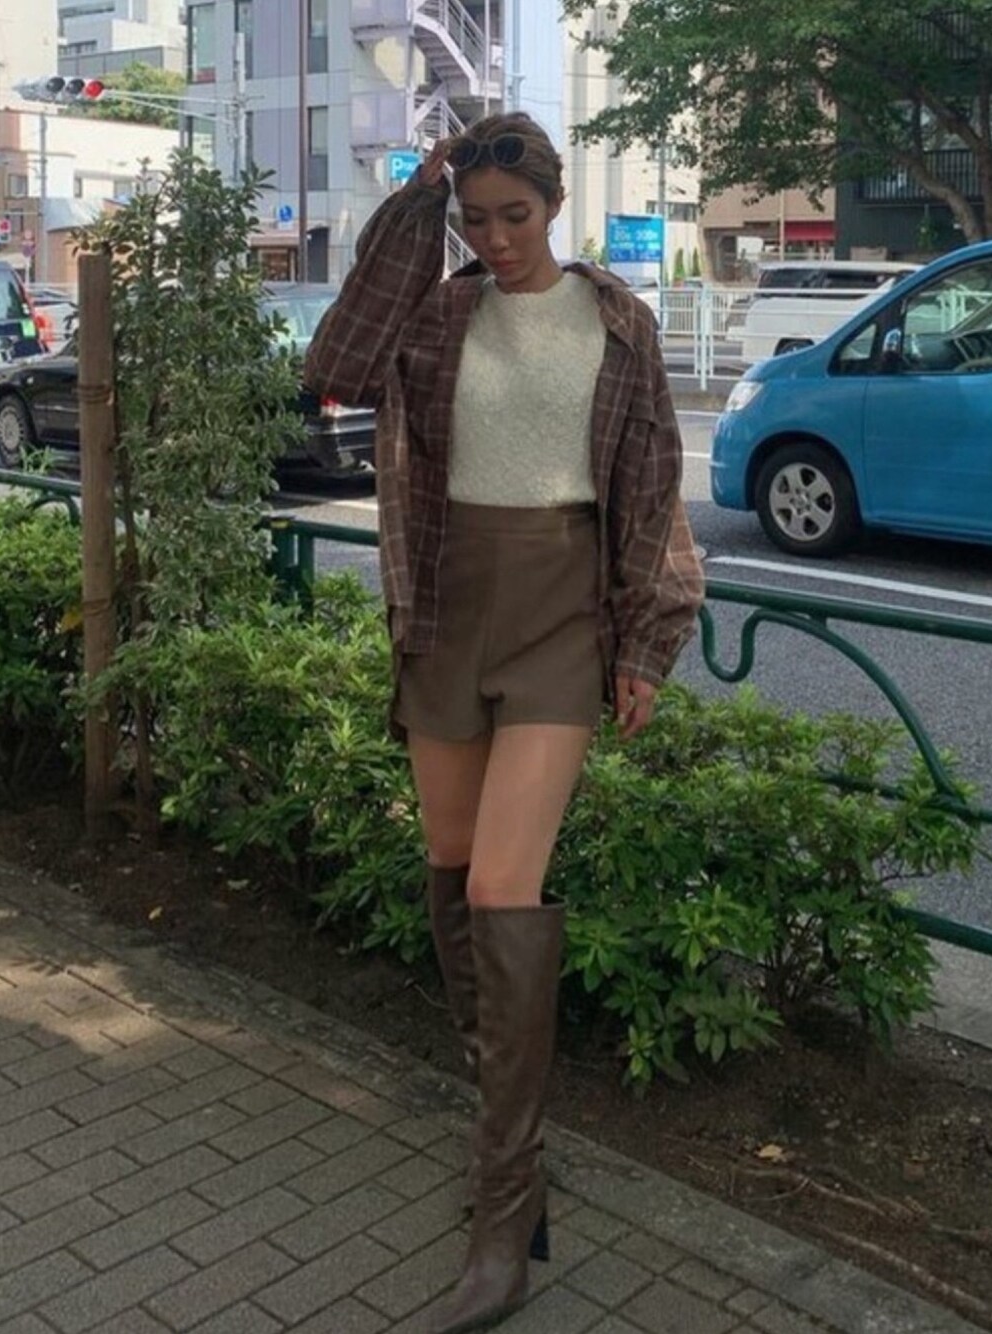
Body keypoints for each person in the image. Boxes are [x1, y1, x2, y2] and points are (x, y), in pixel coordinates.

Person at [304, 111, 704, 1334]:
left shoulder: (617, 322)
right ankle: (511, 1159)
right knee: (450, 870)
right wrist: (412, 210)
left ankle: (501, 1204)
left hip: (556, 616)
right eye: (475, 219)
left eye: (514, 216)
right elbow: (336, 361)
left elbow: (650, 488)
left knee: (500, 888)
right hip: (443, 607)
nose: (497, 239)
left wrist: (644, 642)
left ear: (554, 204)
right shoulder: (437, 314)